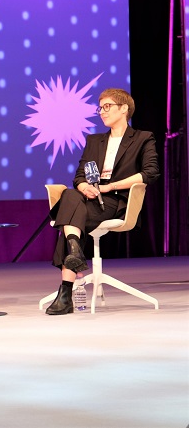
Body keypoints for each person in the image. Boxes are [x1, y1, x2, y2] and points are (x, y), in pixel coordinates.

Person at [45, 88, 160, 315]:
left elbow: (150, 173)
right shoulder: (94, 140)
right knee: (71, 194)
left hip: (115, 200)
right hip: (89, 197)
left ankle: (66, 291)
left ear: (124, 108)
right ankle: (74, 250)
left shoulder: (142, 138)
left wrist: (110, 186)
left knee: (69, 217)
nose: (102, 112)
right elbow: (79, 176)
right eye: (100, 108)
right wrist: (84, 187)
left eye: (107, 106)